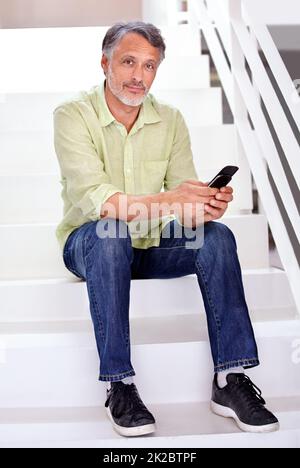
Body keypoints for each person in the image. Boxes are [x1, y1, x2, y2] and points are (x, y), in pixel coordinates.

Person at [54, 21, 279, 437]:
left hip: (152, 242)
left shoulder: (171, 120)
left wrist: (203, 208)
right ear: (105, 63)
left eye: (150, 66)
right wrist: (172, 200)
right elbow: (101, 202)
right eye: (129, 62)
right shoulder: (72, 116)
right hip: (91, 246)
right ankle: (118, 383)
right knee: (112, 232)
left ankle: (229, 379)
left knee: (218, 238)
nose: (139, 76)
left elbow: (182, 213)